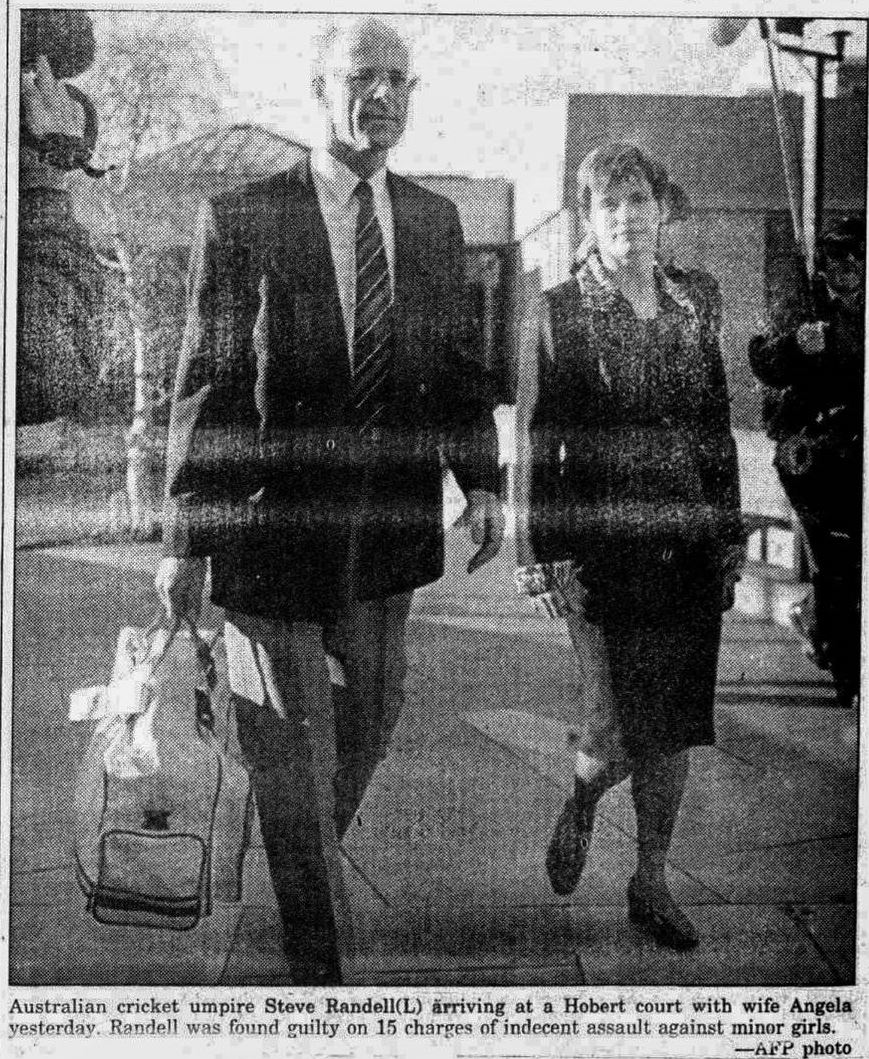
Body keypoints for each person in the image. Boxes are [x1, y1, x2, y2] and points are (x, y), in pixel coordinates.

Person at [155, 17, 504, 984]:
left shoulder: (432, 221)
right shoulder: (243, 216)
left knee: (370, 723)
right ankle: (320, 970)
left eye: (398, 79)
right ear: (320, 88)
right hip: (268, 532)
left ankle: (293, 847)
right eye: (361, 77)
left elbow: (456, 367)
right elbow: (205, 381)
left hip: (385, 534)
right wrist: (183, 538)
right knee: (294, 752)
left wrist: (482, 480)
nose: (381, 95)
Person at [517, 143, 744, 950]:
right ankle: (581, 799)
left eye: (638, 198)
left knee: (672, 727)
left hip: (686, 545)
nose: (626, 216)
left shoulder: (697, 297)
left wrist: (728, 530)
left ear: (659, 207)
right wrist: (535, 553)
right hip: (601, 557)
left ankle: (650, 880)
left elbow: (714, 422)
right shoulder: (558, 310)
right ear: (588, 217)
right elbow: (537, 441)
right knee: (612, 728)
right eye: (608, 203)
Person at [749, 218, 864, 707]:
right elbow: (762, 360)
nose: (846, 267)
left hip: (857, 450)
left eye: (856, 256)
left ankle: (816, 619)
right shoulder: (806, 308)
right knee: (837, 564)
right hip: (817, 458)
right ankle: (849, 678)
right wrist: (797, 344)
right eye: (835, 259)